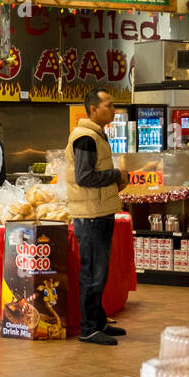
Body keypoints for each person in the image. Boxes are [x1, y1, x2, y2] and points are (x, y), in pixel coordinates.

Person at [67, 87, 125, 345]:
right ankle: (89, 328)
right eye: (109, 105)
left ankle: (99, 321)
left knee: (100, 271)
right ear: (93, 109)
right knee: (92, 272)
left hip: (99, 212)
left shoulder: (96, 135)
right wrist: (116, 175)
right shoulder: (85, 138)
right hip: (90, 216)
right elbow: (85, 176)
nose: (114, 110)